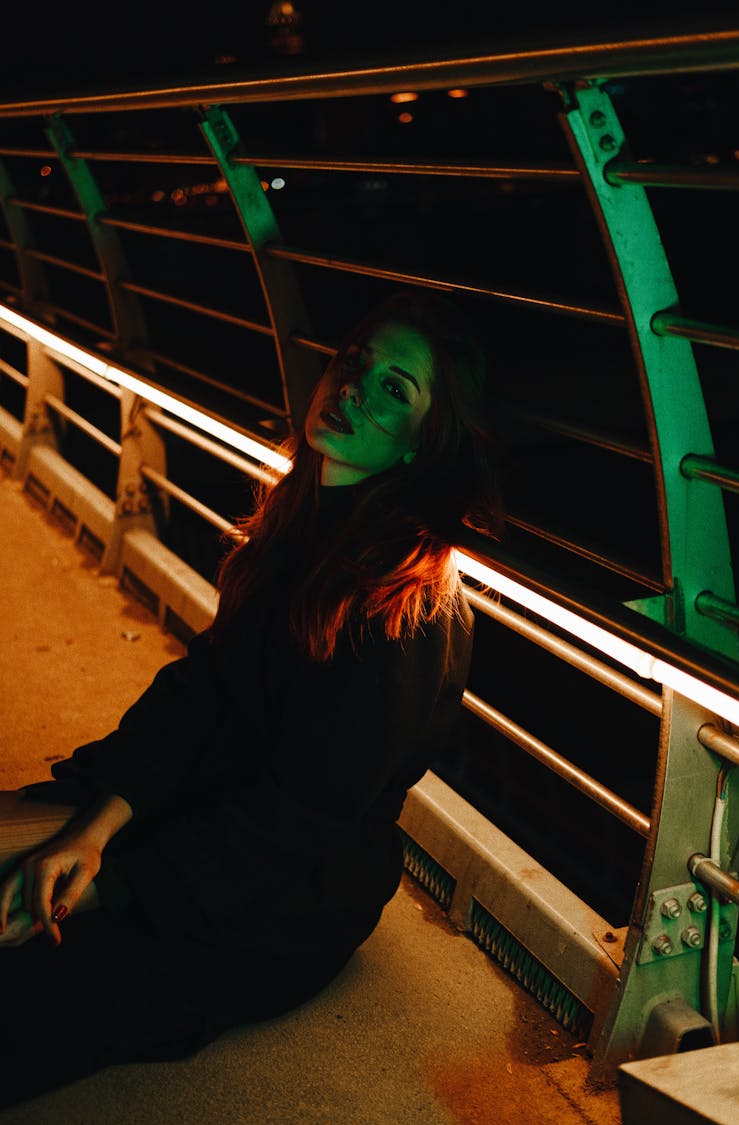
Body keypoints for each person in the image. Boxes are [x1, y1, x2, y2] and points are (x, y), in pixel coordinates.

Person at [0, 287, 505, 1107]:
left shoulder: (403, 609)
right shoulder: (307, 521)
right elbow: (202, 690)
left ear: (423, 442)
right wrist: (97, 830)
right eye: (354, 362)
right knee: (29, 873)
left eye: (394, 390)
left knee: (32, 1001)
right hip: (211, 825)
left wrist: (109, 885)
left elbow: (298, 821)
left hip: (282, 902)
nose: (353, 389)